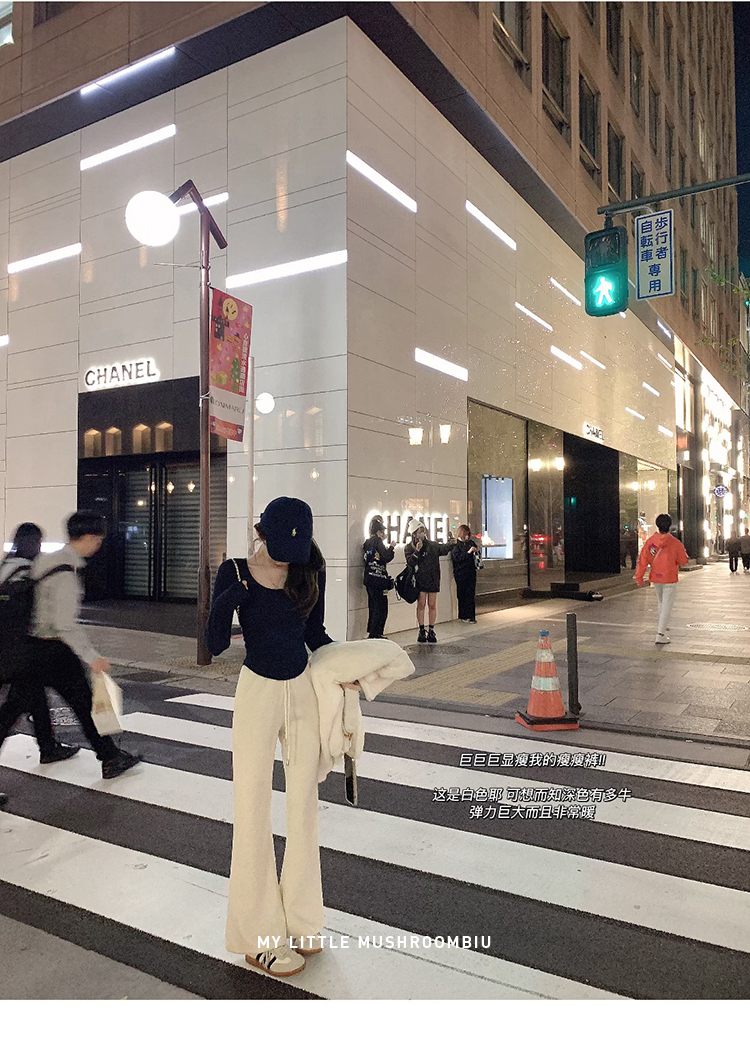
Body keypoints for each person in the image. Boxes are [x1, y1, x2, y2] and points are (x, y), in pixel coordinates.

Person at [205, 497, 354, 979]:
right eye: (281, 548)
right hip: (257, 692)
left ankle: (303, 920)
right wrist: (227, 601)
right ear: (261, 533)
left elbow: (316, 634)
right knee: (252, 807)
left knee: (304, 807)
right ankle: (259, 937)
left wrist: (350, 666)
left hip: (303, 688)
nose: (290, 558)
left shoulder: (309, 566)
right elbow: (213, 644)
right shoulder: (234, 571)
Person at [2, 512, 141, 779]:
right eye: (97, 540)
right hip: (52, 649)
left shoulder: (46, 560)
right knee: (84, 704)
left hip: (29, 647)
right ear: (87, 538)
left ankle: (103, 754)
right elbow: (65, 623)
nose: (98, 546)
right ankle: (110, 756)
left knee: (11, 711)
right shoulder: (65, 572)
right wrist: (92, 657)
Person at [0, 523, 79, 764]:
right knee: (13, 708)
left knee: (35, 698)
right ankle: (49, 748)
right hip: (20, 650)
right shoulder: (29, 571)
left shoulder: (6, 566)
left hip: (8, 648)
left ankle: (48, 747)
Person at [634, 513, 689, 645]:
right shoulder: (675, 543)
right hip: (669, 577)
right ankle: (661, 633)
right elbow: (683, 560)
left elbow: (643, 560)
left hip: (656, 577)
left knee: (661, 602)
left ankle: (663, 625)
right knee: (666, 605)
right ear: (670, 525)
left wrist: (639, 577)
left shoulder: (650, 542)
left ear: (657, 525)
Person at [404, 518, 454, 644]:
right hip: (420, 579)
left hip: (433, 578)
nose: (422, 533)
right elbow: (410, 562)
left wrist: (451, 543)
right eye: (419, 531)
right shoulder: (409, 547)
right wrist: (417, 551)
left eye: (423, 531)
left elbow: (443, 549)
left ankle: (431, 630)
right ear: (414, 534)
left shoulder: (432, 545)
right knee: (421, 604)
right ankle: (421, 630)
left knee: (432, 605)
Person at [363, 515, 394, 639]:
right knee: (381, 607)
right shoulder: (377, 542)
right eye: (382, 531)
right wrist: (391, 547)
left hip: (370, 579)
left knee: (373, 606)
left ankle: (372, 631)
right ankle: (377, 633)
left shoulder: (367, 543)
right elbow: (386, 556)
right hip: (379, 580)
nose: (383, 534)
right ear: (378, 532)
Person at [451, 524, 479, 623]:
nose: (467, 536)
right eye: (465, 534)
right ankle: (463, 615)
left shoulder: (471, 543)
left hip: (471, 572)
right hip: (461, 573)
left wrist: (475, 550)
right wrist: (468, 552)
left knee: (470, 594)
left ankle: (471, 616)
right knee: (462, 594)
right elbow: (458, 558)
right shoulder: (456, 546)